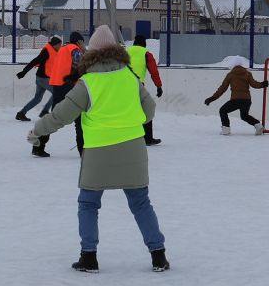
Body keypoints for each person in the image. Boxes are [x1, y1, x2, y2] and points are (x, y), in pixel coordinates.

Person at [29, 25, 167, 272]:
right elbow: (150, 111)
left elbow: (61, 115)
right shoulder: (130, 77)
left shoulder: (87, 83)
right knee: (141, 203)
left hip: (98, 152)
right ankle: (158, 255)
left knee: (88, 204)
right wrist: (129, 123)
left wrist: (38, 131)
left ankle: (89, 257)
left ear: (90, 53)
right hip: (133, 149)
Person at [31, 31, 86, 158]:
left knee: (54, 117)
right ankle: (83, 150)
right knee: (80, 118)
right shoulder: (75, 50)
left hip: (57, 85)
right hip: (70, 86)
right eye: (82, 41)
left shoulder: (62, 49)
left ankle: (38, 146)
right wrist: (85, 52)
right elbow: (80, 67)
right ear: (79, 41)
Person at [203, 57, 267, 133]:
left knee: (223, 110)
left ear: (233, 65)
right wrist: (262, 84)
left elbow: (222, 88)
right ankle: (258, 125)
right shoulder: (247, 73)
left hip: (235, 100)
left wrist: (212, 98)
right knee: (244, 116)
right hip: (246, 100)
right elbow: (254, 84)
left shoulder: (230, 75)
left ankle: (226, 129)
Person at [129, 31, 163, 146]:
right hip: (137, 86)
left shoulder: (124, 52)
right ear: (144, 44)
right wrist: (159, 86)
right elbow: (154, 72)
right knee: (147, 109)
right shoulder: (146, 53)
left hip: (119, 86)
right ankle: (147, 139)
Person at [14, 36, 61, 121]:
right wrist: (24, 72)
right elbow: (34, 61)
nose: (60, 47)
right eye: (59, 45)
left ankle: (21, 113)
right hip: (44, 79)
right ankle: (45, 111)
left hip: (41, 78)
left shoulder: (54, 51)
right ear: (54, 45)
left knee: (37, 98)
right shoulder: (46, 52)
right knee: (57, 93)